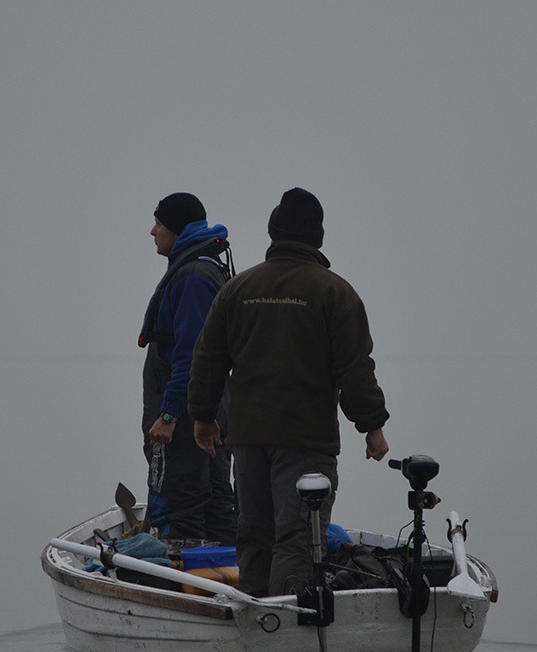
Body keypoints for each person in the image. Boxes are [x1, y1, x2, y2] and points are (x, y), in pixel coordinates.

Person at [187, 187, 389, 597]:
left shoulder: (237, 289)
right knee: (297, 538)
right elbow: (354, 367)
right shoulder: (335, 292)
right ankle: (283, 625)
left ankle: (254, 617)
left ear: (273, 232)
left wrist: (203, 416)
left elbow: (207, 359)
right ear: (317, 237)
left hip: (247, 439)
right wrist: (371, 426)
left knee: (254, 534)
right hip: (305, 440)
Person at [138, 192, 236, 544]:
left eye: (159, 224)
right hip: (209, 405)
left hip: (186, 412)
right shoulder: (202, 267)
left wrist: (169, 414)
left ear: (176, 230)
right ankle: (229, 574)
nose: (153, 231)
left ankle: (191, 585)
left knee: (183, 498)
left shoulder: (193, 276)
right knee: (213, 494)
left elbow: (192, 354)